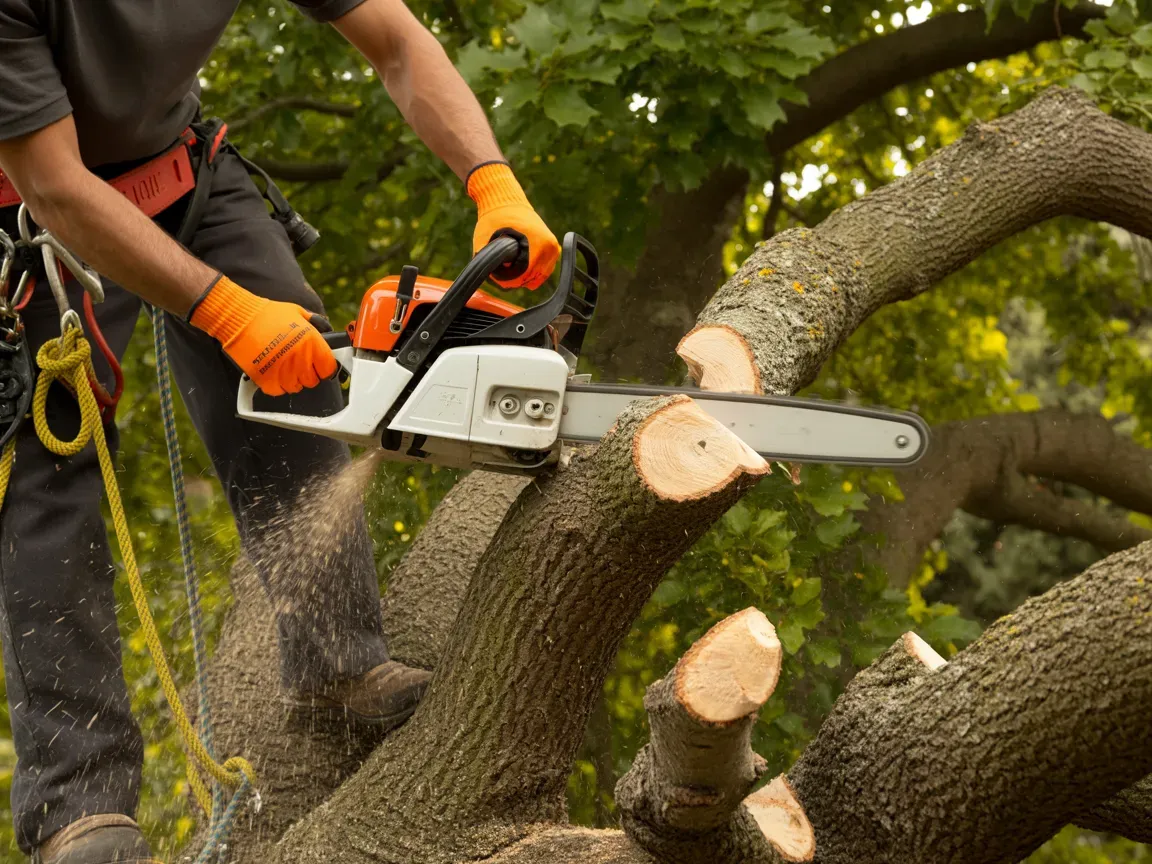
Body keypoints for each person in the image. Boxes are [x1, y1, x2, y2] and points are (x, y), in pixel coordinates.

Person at [0, 0, 561, 861]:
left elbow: (396, 39)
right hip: (31, 208)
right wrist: (223, 311)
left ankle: (339, 660)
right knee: (55, 457)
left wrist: (491, 182)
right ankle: (80, 801)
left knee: (302, 362)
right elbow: (56, 185)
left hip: (178, 173)